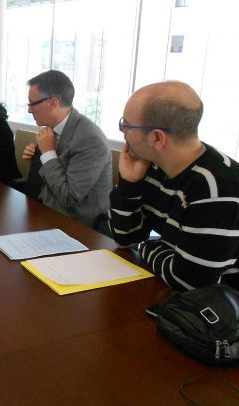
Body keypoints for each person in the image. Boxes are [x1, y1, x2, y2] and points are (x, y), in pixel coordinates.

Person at [108, 81, 239, 290]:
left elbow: (188, 280)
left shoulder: (216, 189)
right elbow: (125, 238)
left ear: (157, 138)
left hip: (219, 303)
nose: (123, 132)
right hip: (174, 290)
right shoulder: (153, 165)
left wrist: (148, 246)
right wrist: (129, 183)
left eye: (126, 125)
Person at [20, 70, 111, 227]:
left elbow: (69, 197)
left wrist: (47, 154)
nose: (29, 110)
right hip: (43, 212)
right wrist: (37, 158)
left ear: (53, 103)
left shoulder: (90, 139)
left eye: (32, 103)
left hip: (76, 226)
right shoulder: (52, 129)